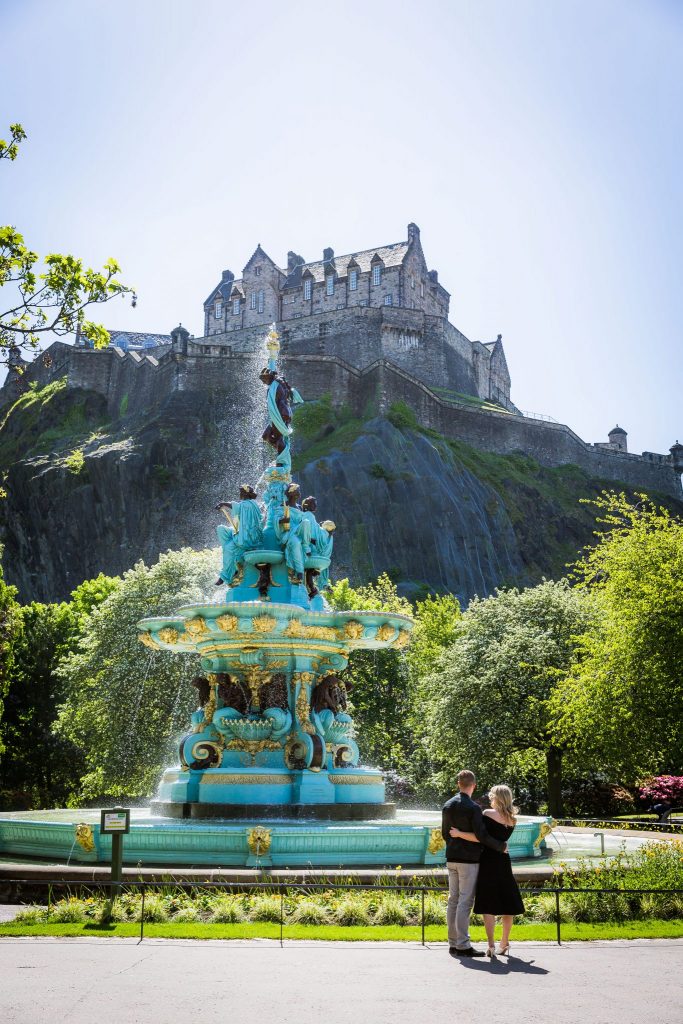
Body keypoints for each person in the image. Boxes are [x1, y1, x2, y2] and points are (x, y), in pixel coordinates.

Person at [449, 783, 525, 956]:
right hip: (504, 862)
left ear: (497, 798)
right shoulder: (513, 819)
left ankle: (491, 945)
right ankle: (504, 943)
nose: (490, 798)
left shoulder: (488, 814)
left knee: (488, 904)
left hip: (488, 862)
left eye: (492, 796)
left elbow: (481, 837)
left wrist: (459, 833)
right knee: (507, 904)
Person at [441, 769, 507, 958]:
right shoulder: (473, 808)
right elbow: (482, 836)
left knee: (453, 900)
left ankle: (453, 943)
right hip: (468, 861)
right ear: (474, 785)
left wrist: (456, 843)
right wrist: (500, 846)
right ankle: (463, 945)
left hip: (451, 858)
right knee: (465, 902)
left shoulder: (447, 805)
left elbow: (445, 834)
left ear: (458, 784)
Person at [214, 484, 263, 586]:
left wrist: (223, 503)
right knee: (221, 529)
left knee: (228, 548)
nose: (240, 494)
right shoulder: (247, 504)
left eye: (241, 492)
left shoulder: (250, 504)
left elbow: (237, 506)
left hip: (248, 537)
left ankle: (225, 575)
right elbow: (238, 511)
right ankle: (233, 560)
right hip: (241, 532)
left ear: (245, 493)